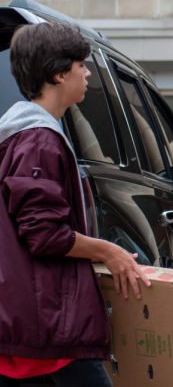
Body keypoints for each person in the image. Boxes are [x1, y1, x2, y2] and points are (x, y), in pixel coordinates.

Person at [0, 22, 151, 387]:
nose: (86, 73)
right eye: (80, 65)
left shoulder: (24, 135)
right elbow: (43, 234)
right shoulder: (38, 141)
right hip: (47, 326)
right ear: (57, 73)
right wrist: (108, 251)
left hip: (31, 321)